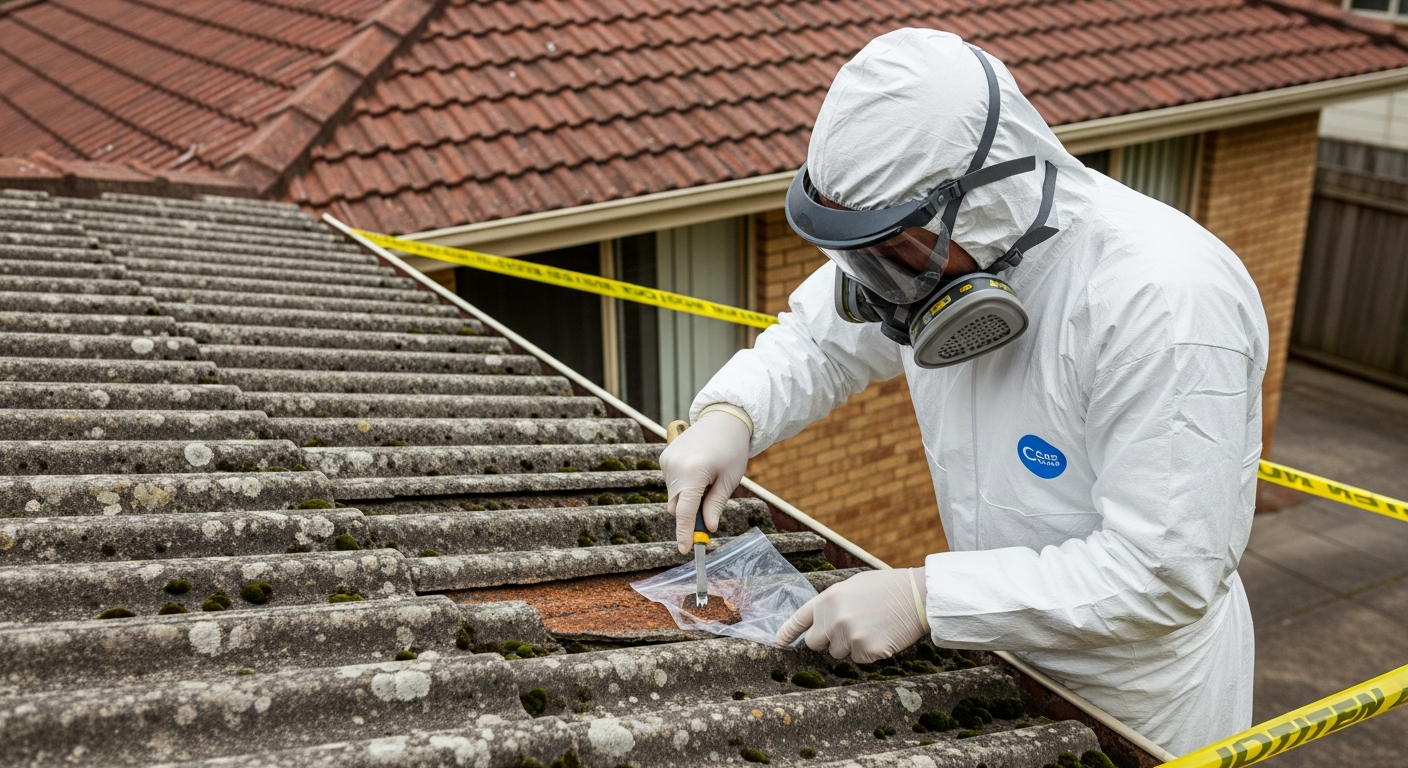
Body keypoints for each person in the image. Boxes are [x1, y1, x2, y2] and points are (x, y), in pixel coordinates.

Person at [659, 28, 1267, 755]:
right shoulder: (918, 255)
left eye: (892, 253)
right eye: (859, 257)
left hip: (1140, 703)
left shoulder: (1164, 302)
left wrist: (926, 598)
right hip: (1004, 653)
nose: (876, 290)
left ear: (983, 199)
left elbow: (1161, 575)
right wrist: (733, 413)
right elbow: (821, 340)